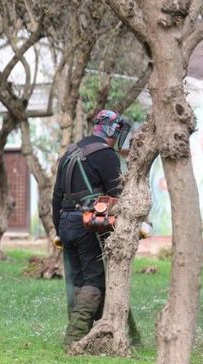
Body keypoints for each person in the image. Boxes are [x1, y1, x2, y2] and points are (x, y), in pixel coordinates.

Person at [52, 109, 130, 349]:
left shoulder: (70, 153)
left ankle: (85, 331)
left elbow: (56, 197)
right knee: (94, 280)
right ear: (111, 129)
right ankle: (73, 339)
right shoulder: (106, 155)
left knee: (78, 281)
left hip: (65, 221)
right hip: (88, 224)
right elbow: (117, 196)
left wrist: (59, 230)